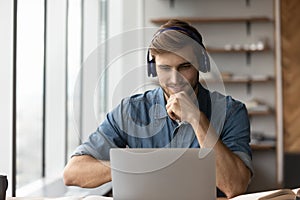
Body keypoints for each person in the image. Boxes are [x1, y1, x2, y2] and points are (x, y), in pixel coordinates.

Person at [63, 19, 253, 198]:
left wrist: (197, 119)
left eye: (185, 66)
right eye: (165, 68)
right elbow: (73, 173)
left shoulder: (231, 112)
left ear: (201, 64)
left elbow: (234, 186)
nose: (175, 79)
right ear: (153, 68)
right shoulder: (131, 110)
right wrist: (135, 167)